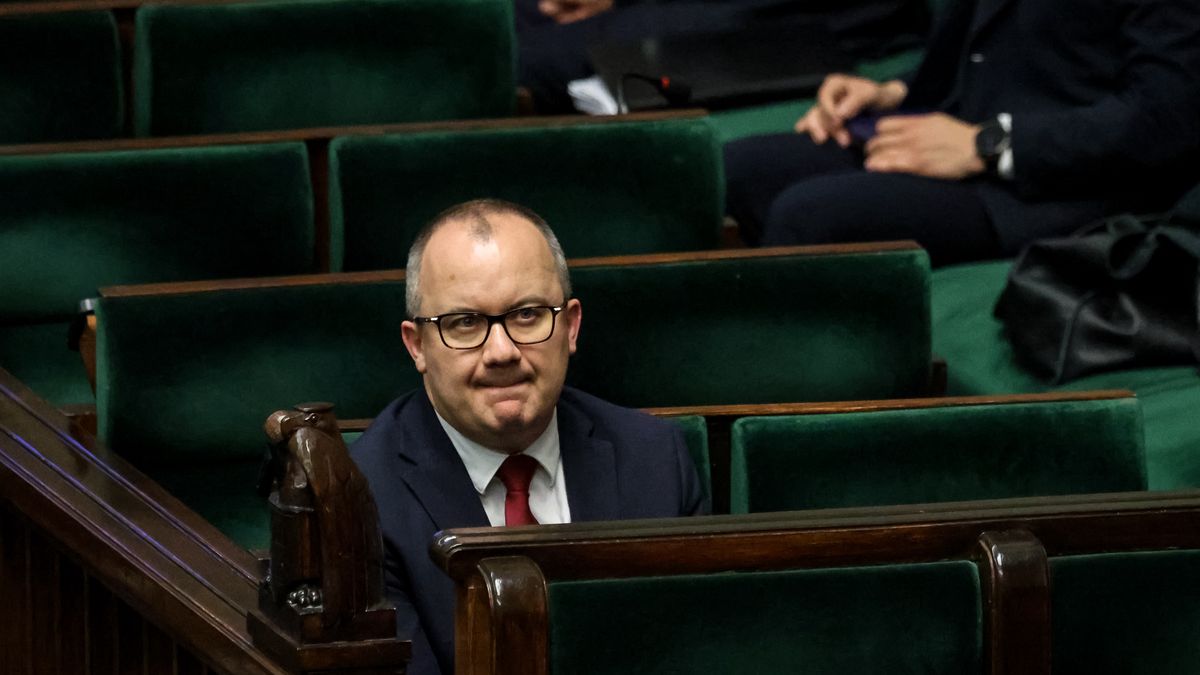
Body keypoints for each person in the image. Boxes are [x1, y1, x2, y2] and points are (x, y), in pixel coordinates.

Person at [350, 199, 707, 675]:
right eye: (464, 323)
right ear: (417, 346)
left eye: (527, 315)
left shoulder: (655, 458)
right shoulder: (362, 501)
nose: (501, 351)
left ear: (571, 326)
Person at [724, 0, 1200, 265]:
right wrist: (890, 92)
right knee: (741, 169)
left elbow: (1163, 120)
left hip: (1064, 185)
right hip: (960, 129)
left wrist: (986, 145)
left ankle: (790, 424)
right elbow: (991, 49)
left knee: (808, 216)